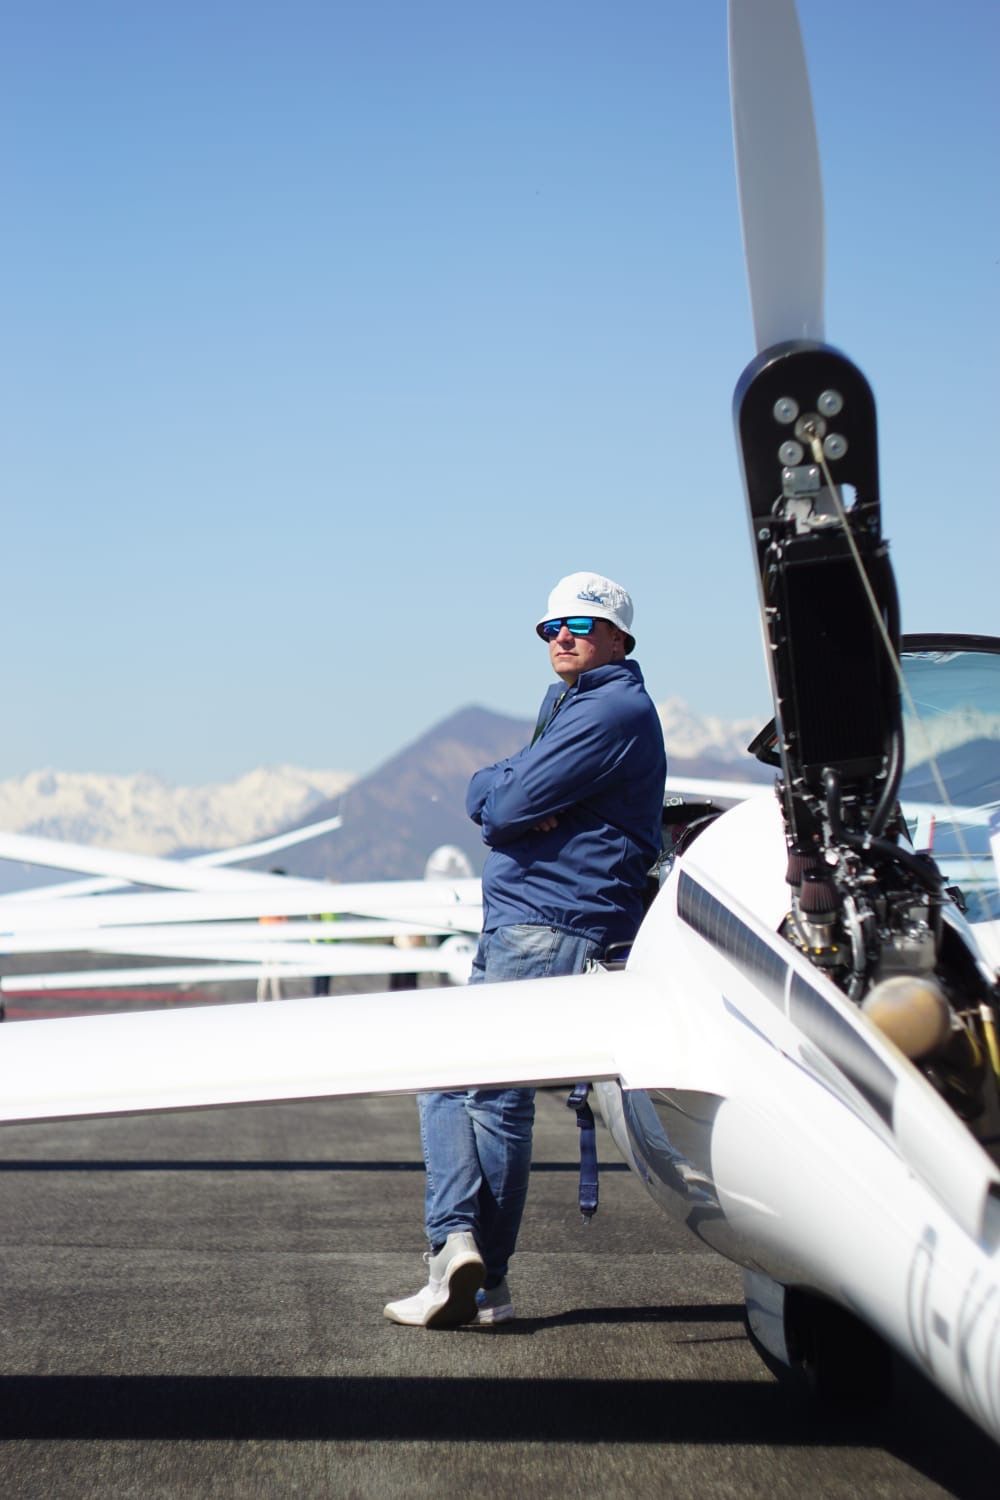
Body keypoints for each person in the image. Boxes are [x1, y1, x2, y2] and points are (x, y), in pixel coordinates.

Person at [384, 571, 666, 1329]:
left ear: (618, 638)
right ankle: (487, 1285)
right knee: (491, 1096)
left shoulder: (609, 710)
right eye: (550, 627)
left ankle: (455, 1251)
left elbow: (504, 802)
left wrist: (508, 798)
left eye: (580, 624)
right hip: (529, 918)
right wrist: (507, 796)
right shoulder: (574, 706)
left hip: (548, 920)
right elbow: (496, 795)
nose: (562, 636)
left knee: (459, 1081)